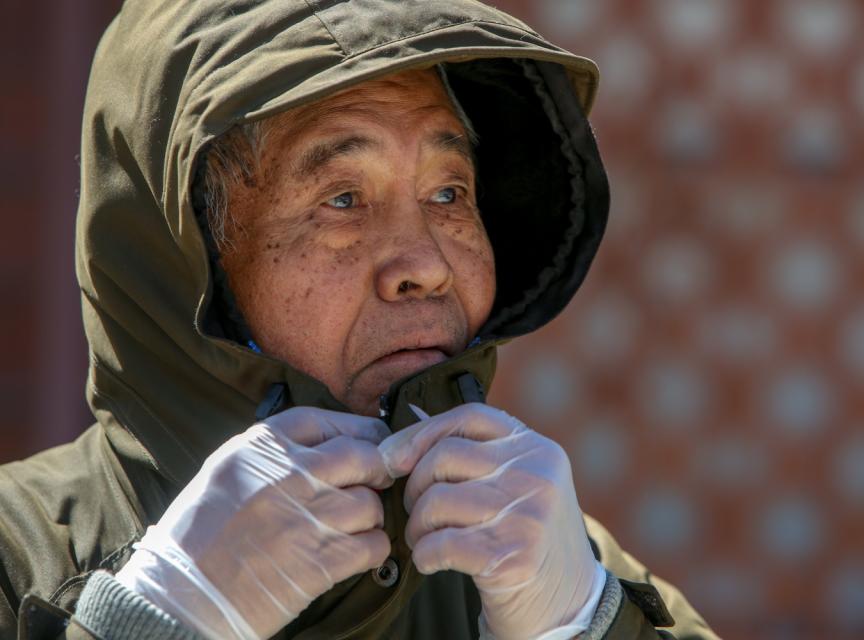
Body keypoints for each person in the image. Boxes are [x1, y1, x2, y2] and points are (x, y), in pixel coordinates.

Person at [0, 1, 719, 639]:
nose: (426, 264)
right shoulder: (18, 552)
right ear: (187, 258)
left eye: (448, 192)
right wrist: (159, 622)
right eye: (343, 199)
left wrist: (586, 625)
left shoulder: (541, 561)